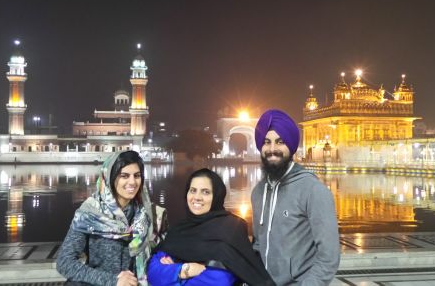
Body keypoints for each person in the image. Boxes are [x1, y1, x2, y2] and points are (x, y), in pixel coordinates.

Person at [252, 109, 340, 286]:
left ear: (291, 146)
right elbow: (258, 244)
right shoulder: (258, 192)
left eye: (280, 142)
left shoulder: (312, 190)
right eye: (266, 142)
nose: (272, 149)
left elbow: (328, 257)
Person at [147, 168, 275, 286]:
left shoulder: (230, 228)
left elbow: (220, 280)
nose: (197, 197)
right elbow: (153, 272)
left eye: (206, 192)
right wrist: (185, 269)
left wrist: (172, 274)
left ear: (216, 196)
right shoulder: (180, 229)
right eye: (193, 190)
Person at [57, 151, 167, 286]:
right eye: (124, 176)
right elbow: (64, 262)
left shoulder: (149, 214)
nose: (132, 182)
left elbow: (160, 250)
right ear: (109, 177)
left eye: (137, 176)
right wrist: (113, 280)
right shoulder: (90, 214)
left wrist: (164, 258)